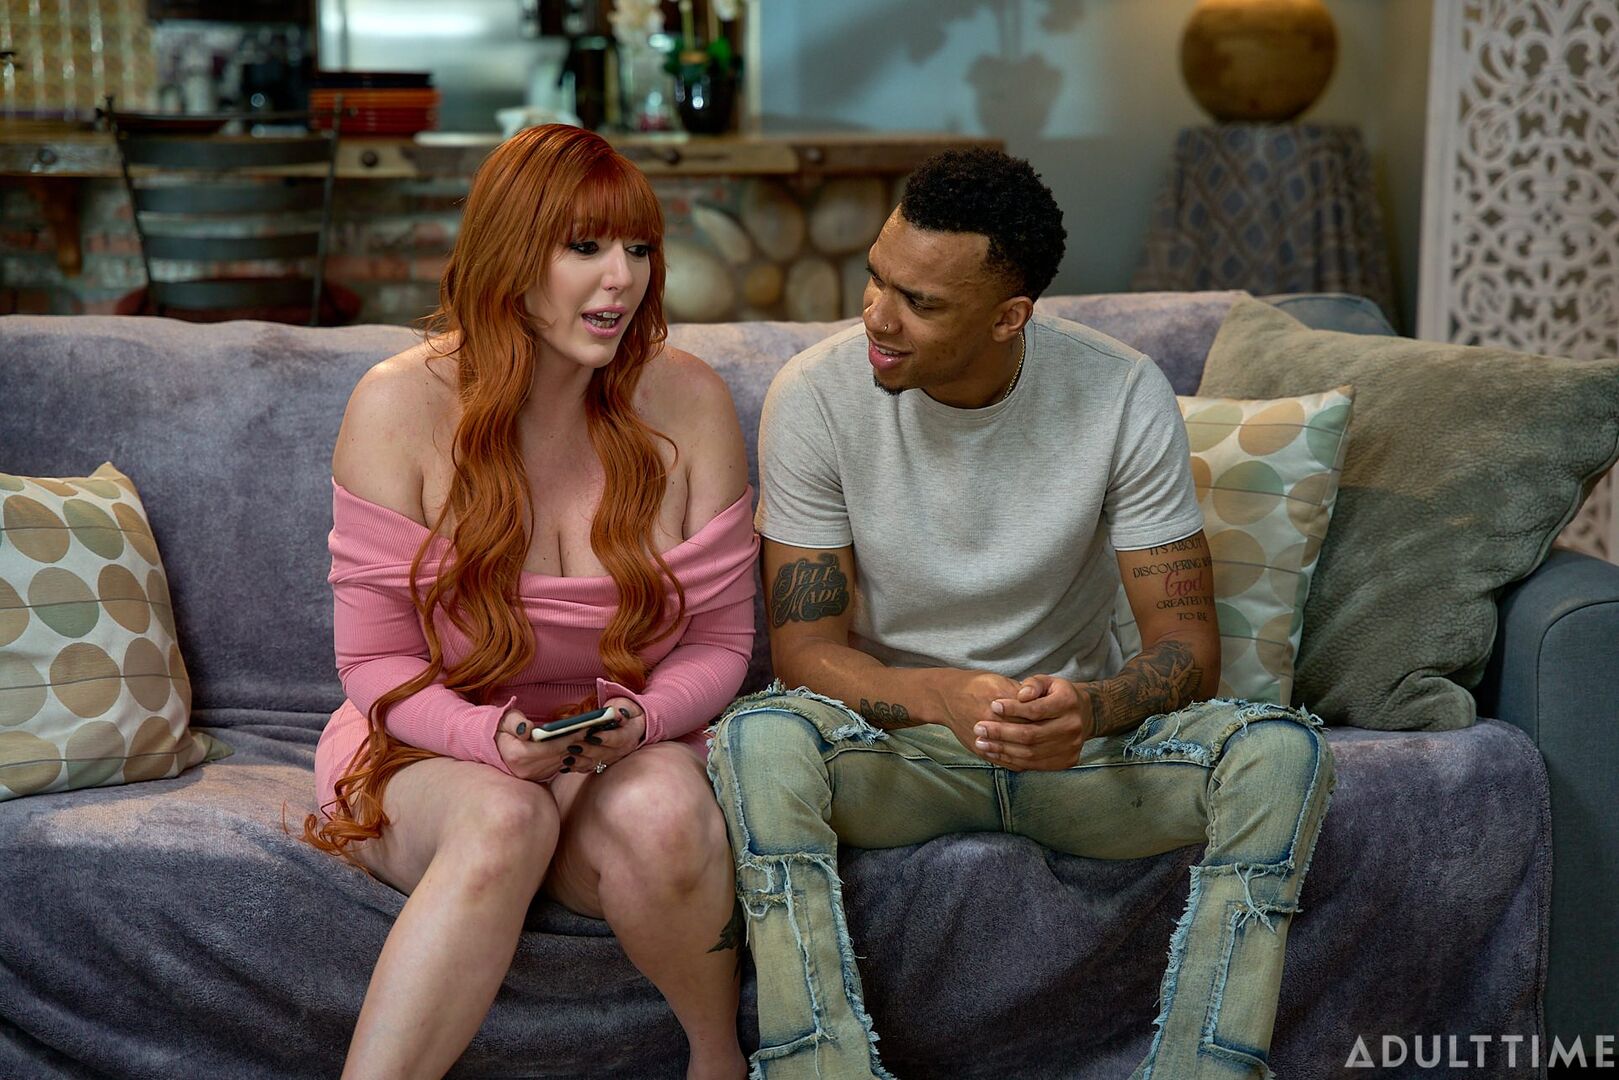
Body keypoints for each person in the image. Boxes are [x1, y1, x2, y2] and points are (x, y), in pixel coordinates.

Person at [708, 148, 1336, 1080]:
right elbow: (803, 651)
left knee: (1280, 753)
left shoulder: (1120, 391)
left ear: (1009, 317)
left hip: (1077, 748)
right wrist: (943, 695)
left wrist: (1091, 709)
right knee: (756, 737)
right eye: (877, 278)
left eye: (920, 303)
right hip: (898, 750)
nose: (876, 316)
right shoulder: (816, 394)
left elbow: (1184, 649)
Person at [301, 124, 756, 1080]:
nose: (621, 279)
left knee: (665, 812)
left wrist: (646, 720)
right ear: (510, 258)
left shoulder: (689, 400)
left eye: (638, 248)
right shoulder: (396, 405)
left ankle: (719, 1062)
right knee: (506, 817)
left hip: (619, 750)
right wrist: (486, 741)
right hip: (430, 745)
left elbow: (721, 642)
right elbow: (374, 662)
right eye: (583, 247)